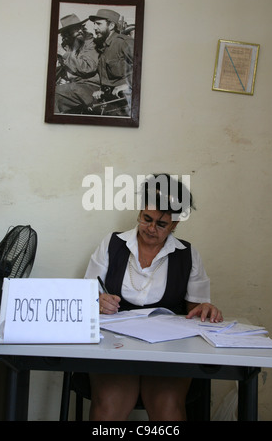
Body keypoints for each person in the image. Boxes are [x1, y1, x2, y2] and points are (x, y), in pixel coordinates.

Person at [84, 174, 223, 421]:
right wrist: (97, 300)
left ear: (175, 225)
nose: (151, 228)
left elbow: (195, 308)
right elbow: (85, 296)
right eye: (146, 219)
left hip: (168, 348)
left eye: (161, 224)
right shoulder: (112, 244)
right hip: (115, 345)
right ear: (139, 212)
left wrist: (204, 308)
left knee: (168, 409)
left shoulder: (187, 254)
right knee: (108, 406)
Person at [88, 9, 134, 116]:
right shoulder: (104, 46)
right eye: (94, 24)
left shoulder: (124, 42)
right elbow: (108, 79)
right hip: (110, 98)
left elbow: (146, 68)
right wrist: (102, 90)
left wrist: (128, 85)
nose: (95, 28)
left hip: (126, 100)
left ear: (111, 25)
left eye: (99, 24)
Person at [54, 14, 99, 114]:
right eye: (75, 29)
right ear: (66, 33)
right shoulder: (67, 45)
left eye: (80, 27)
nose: (80, 30)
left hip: (89, 85)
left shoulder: (89, 43)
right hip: (75, 85)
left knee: (53, 94)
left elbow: (88, 67)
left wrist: (64, 54)